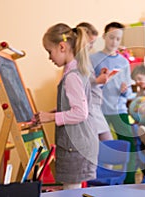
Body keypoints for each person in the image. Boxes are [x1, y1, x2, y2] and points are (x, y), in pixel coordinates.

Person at [35, 23, 99, 190]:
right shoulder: (76, 70)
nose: (49, 57)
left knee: (71, 191)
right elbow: (76, 105)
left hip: (75, 146)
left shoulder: (72, 76)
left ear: (62, 47)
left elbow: (80, 113)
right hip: (79, 144)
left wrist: (50, 117)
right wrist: (55, 112)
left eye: (50, 51)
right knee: (71, 189)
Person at [90, 22, 136, 184]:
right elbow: (88, 84)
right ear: (104, 36)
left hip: (119, 109)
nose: (114, 42)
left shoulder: (124, 62)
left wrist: (126, 90)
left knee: (130, 143)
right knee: (101, 147)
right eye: (111, 37)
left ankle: (129, 182)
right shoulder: (93, 58)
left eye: (118, 39)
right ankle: (98, 180)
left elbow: (129, 91)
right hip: (99, 110)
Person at [76, 22, 113, 141]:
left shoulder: (86, 59)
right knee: (104, 145)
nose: (91, 46)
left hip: (95, 107)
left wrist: (99, 77)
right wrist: (97, 80)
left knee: (107, 144)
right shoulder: (77, 60)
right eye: (90, 43)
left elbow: (88, 79)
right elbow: (78, 84)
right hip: (89, 109)